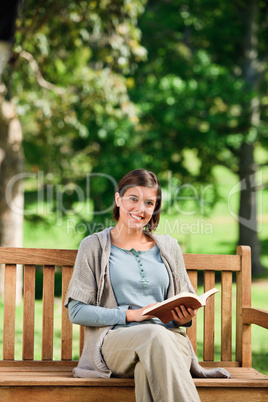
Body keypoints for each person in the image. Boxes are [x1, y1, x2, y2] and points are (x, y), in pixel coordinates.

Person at [65, 169, 230, 402]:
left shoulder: (169, 247)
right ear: (118, 199)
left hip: (171, 343)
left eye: (149, 203)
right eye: (133, 198)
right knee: (153, 335)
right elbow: (77, 311)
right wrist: (132, 315)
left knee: (148, 368)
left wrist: (182, 318)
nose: (140, 209)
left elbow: (182, 302)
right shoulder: (94, 246)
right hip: (116, 343)